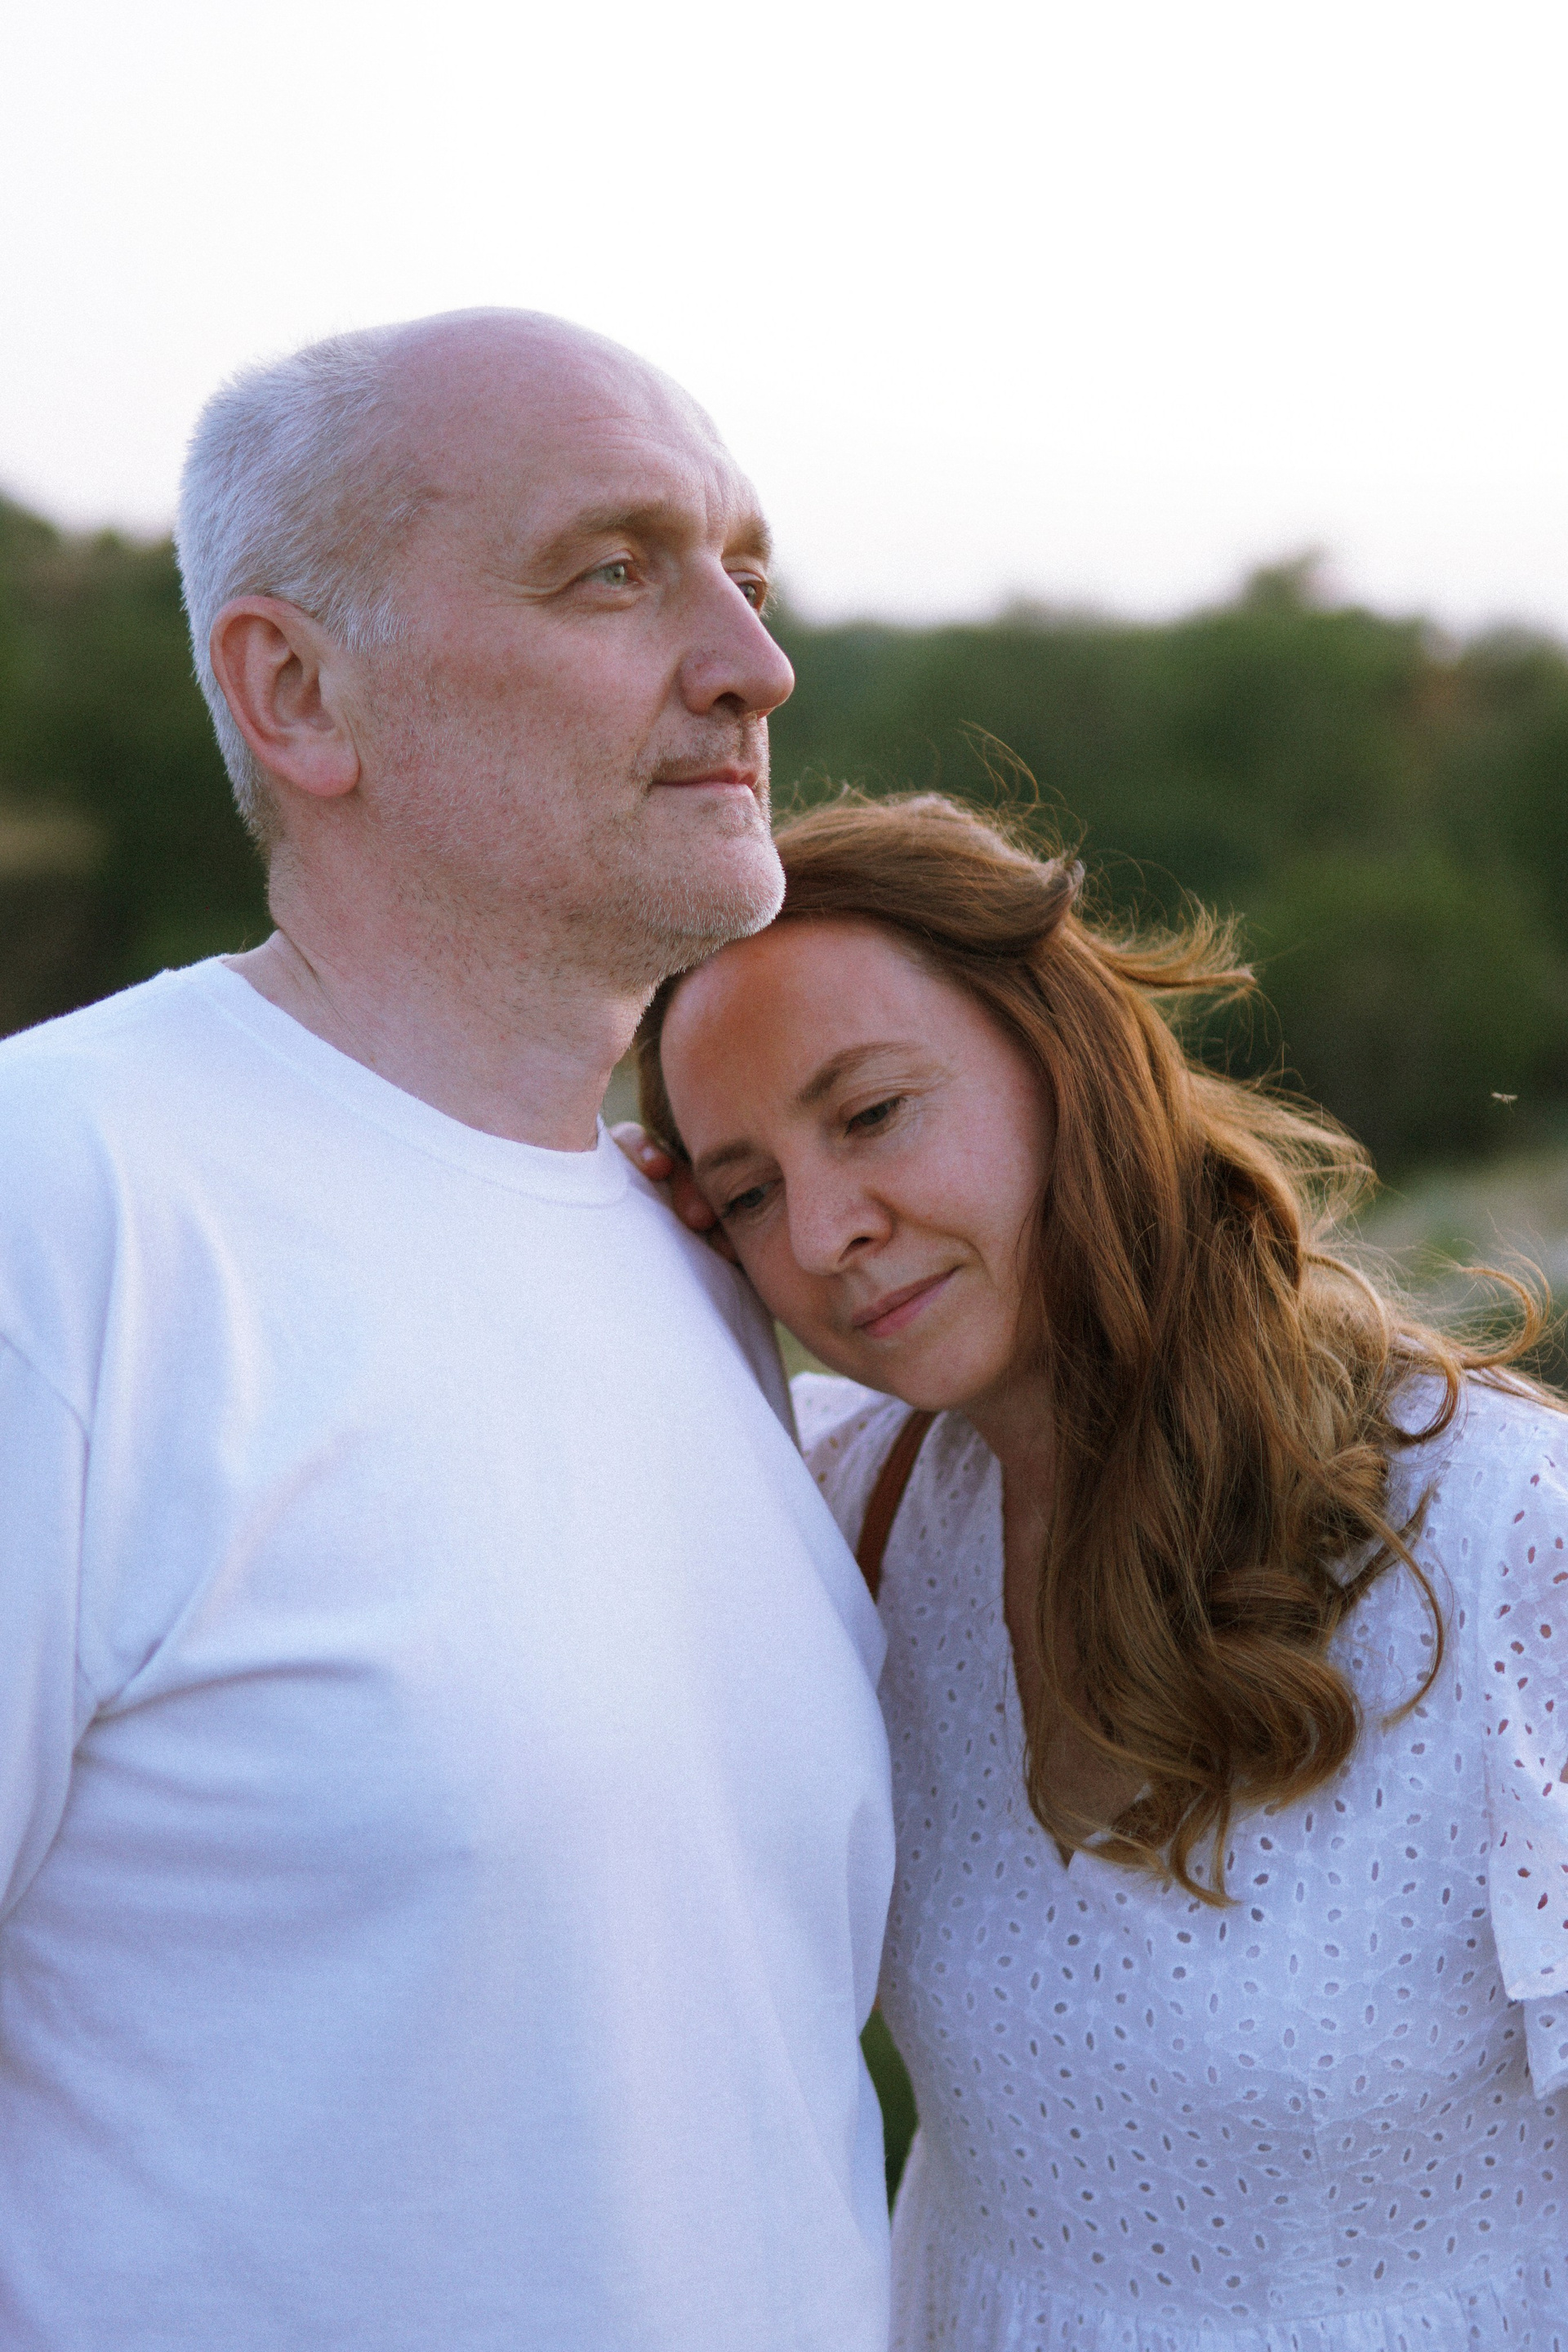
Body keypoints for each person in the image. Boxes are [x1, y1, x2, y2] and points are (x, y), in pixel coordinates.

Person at [0, 313, 894, 2352]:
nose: (754, 664)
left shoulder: (703, 1255)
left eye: (747, 575)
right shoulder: (65, 1207)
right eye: (613, 570)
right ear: (297, 692)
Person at [628, 789, 1568, 2348]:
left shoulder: (1505, 1532)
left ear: (1063, 1056)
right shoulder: (841, 1512)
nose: (826, 1231)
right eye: (746, 1193)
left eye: (870, 1114)